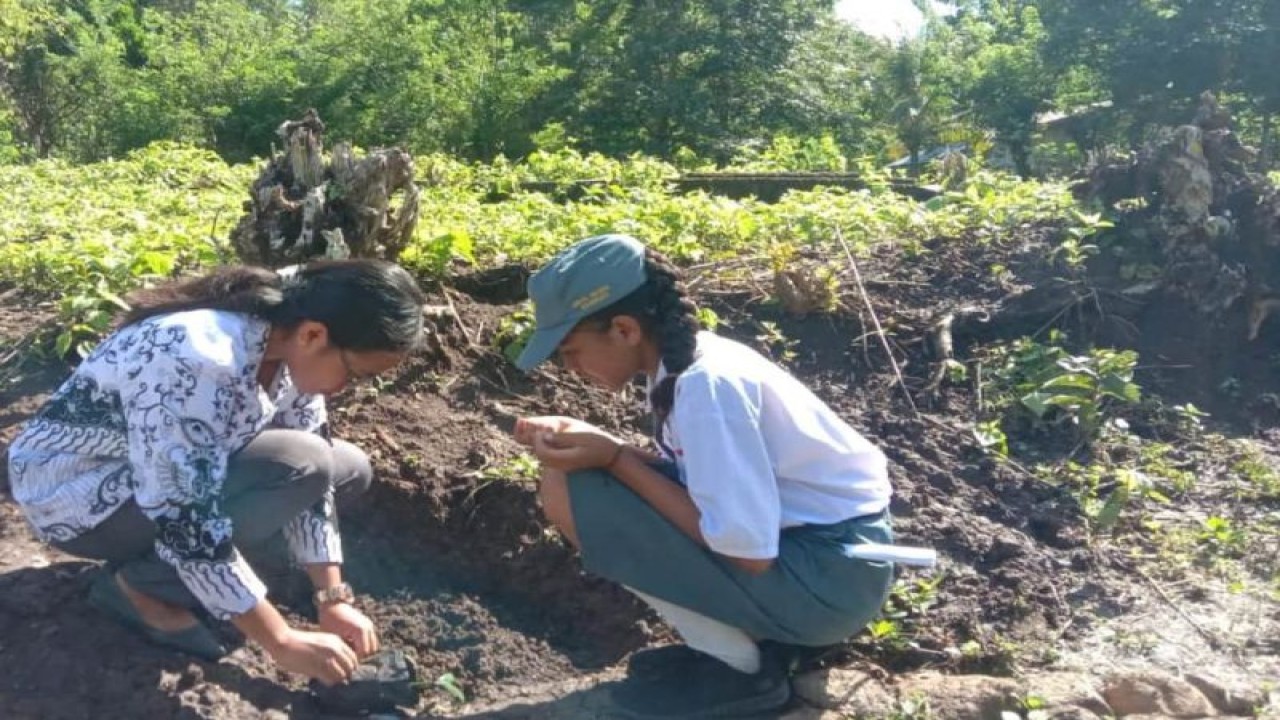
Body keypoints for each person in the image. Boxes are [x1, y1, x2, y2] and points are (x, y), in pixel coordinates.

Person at [511, 234, 895, 719]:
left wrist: (615, 460)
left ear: (625, 330)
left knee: (570, 490)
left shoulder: (708, 390)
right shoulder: (684, 365)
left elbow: (744, 551)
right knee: (582, 478)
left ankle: (739, 670)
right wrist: (605, 448)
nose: (569, 368)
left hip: (830, 580)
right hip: (823, 560)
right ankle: (746, 646)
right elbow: (705, 485)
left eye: (571, 350)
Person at [7, 259, 425, 686]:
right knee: (304, 463)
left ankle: (212, 582)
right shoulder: (194, 358)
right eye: (353, 373)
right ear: (313, 334)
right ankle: (141, 588)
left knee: (346, 467)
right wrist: (280, 640)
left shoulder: (287, 346)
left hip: (157, 483)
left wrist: (331, 599)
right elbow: (182, 513)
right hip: (78, 500)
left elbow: (315, 468)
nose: (344, 388)